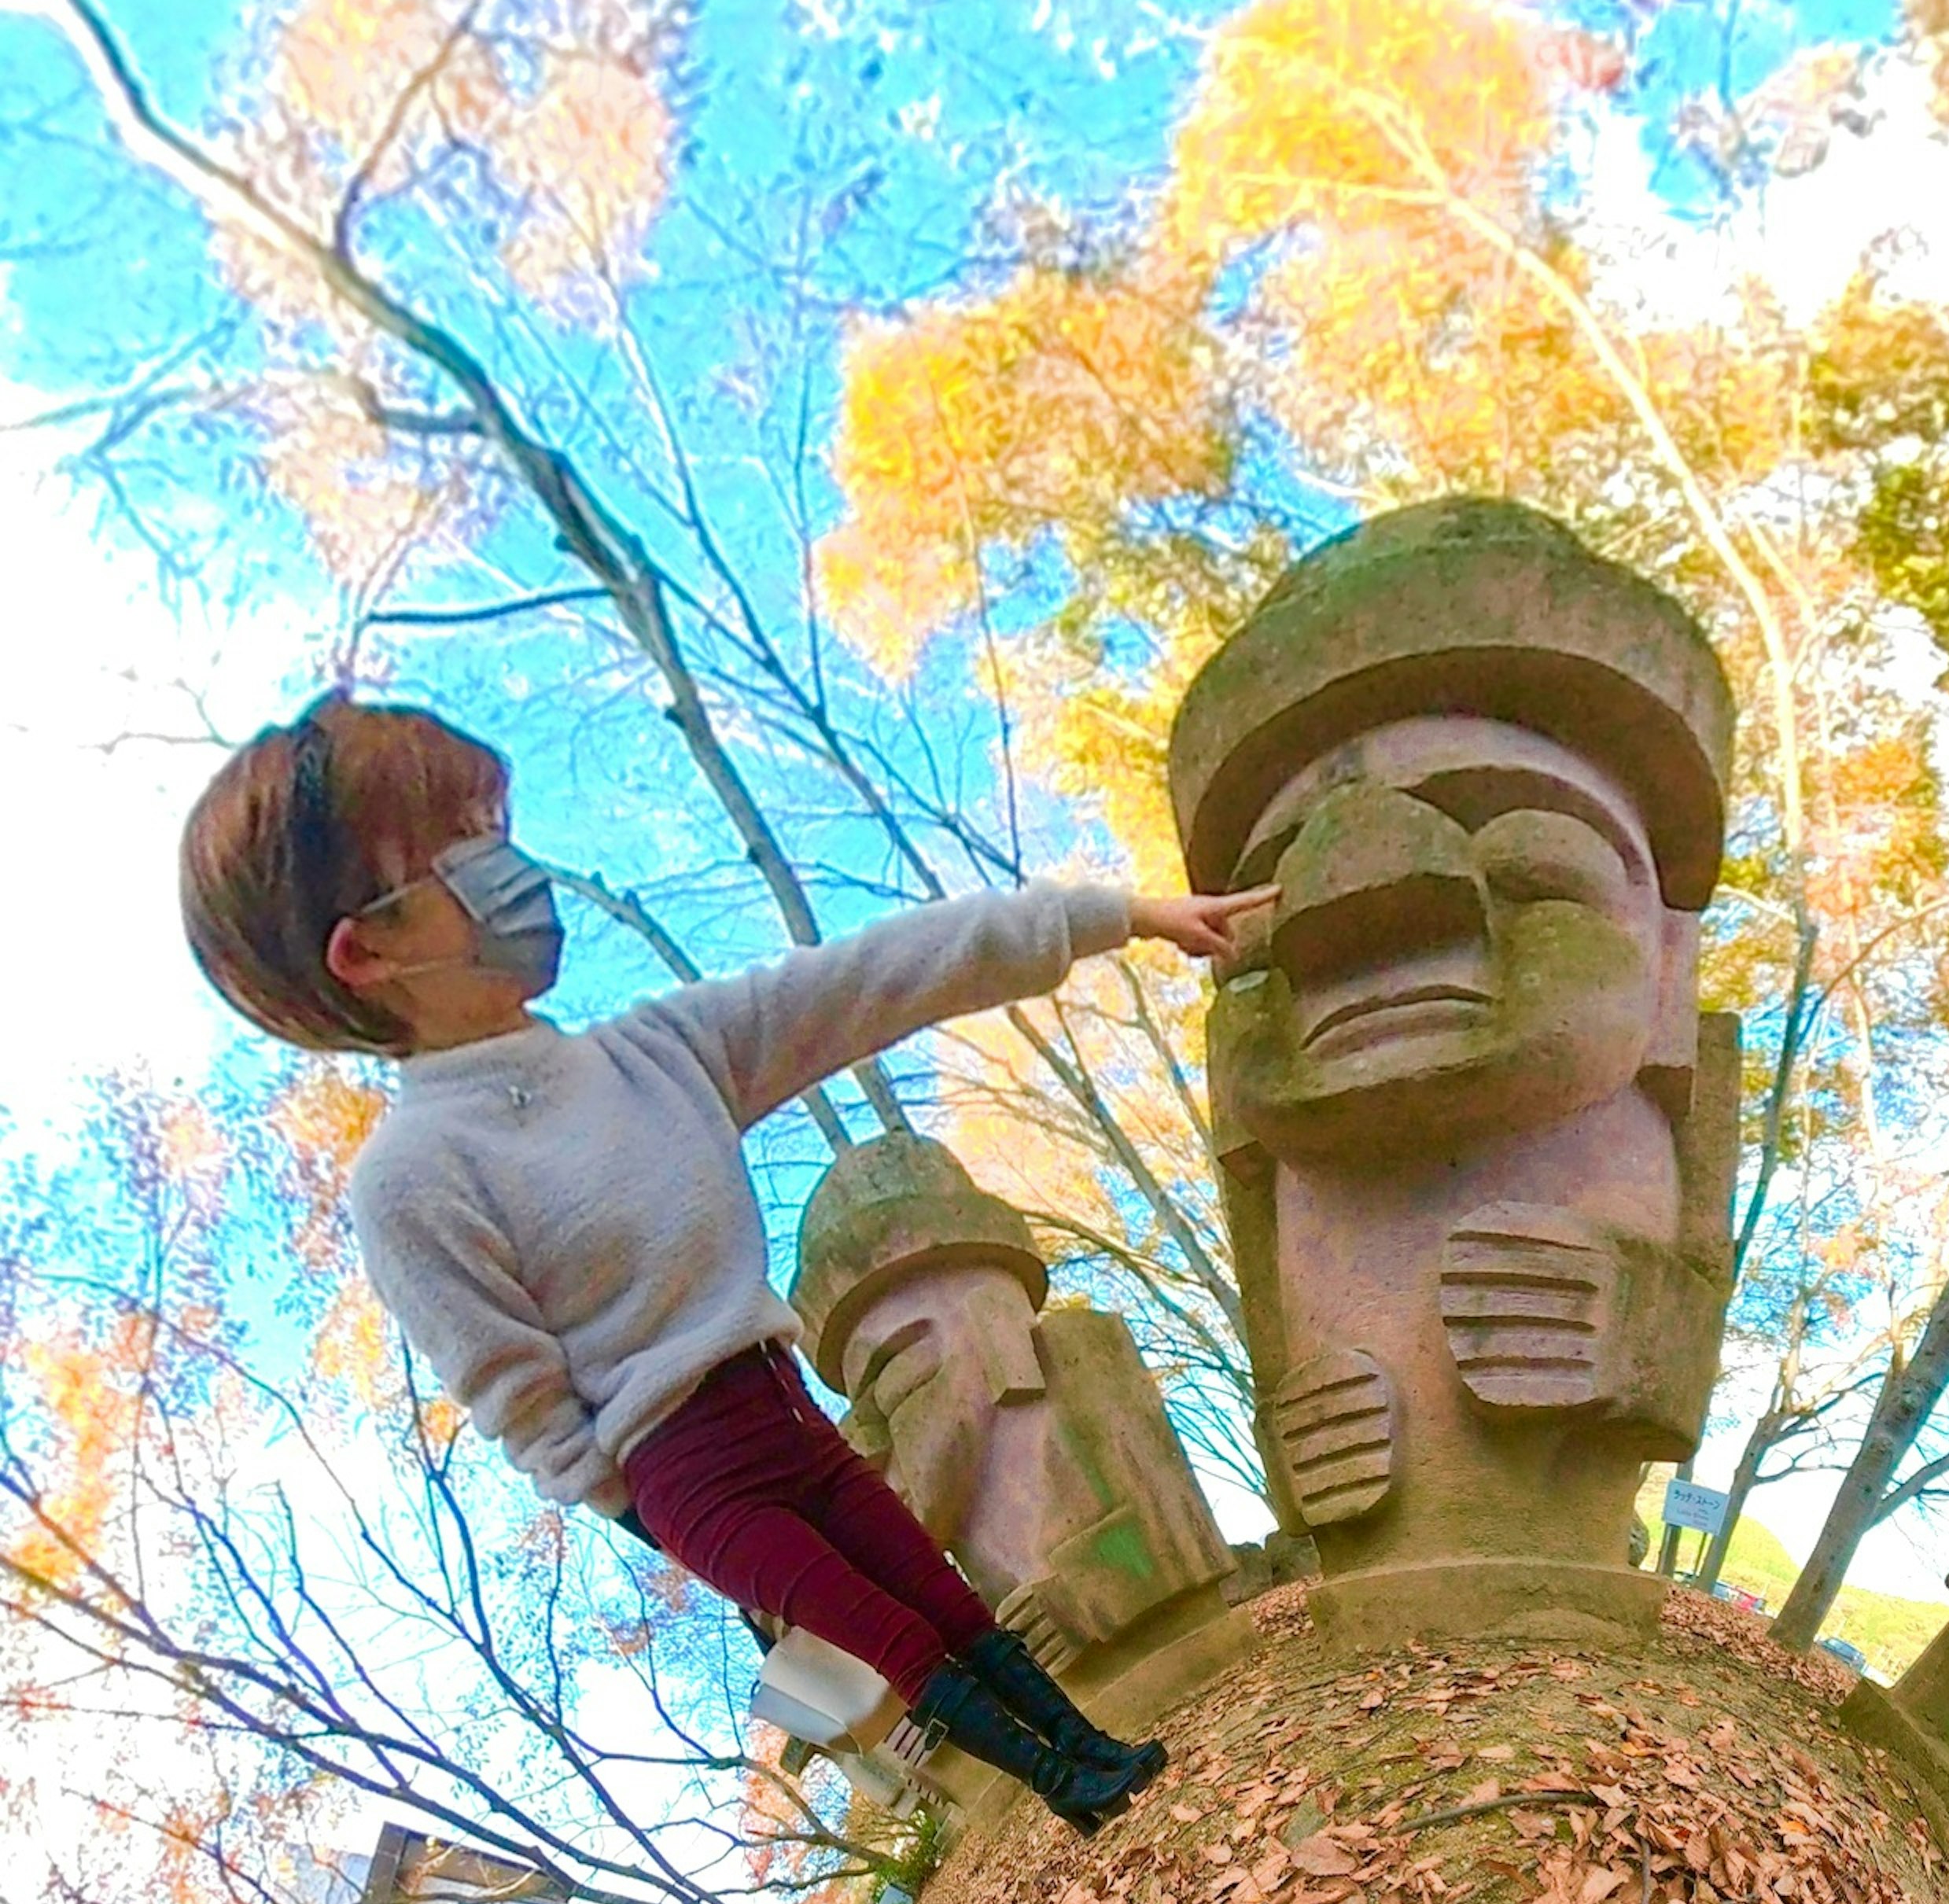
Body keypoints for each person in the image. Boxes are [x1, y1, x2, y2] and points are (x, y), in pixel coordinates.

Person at [177, 689, 1268, 1824]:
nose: (509, 870)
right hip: (688, 1473)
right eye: (462, 852)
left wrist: (1114, 917)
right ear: (367, 950)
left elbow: (873, 977)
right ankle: (1068, 1788)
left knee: (944, 1600)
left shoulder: (659, 1055)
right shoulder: (410, 1175)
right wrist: (661, 1512)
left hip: (786, 1407)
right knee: (894, 1644)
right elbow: (519, 1397)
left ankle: (1098, 1756)